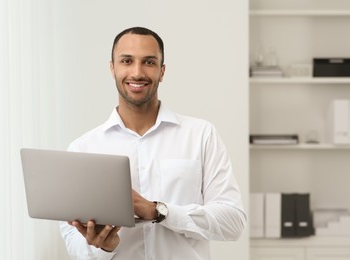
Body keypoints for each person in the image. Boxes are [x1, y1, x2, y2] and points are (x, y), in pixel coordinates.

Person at [60, 26, 246, 260]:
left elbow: (233, 222)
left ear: (162, 71)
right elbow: (75, 247)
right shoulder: (83, 149)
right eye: (127, 61)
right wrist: (105, 246)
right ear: (112, 68)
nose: (137, 73)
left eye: (148, 62)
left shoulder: (201, 135)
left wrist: (158, 211)